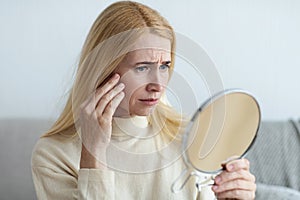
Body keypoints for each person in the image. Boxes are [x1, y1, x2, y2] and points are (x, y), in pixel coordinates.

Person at [31, 1, 256, 199]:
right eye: (142, 67)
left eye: (164, 66)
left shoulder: (190, 138)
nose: (158, 84)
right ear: (103, 69)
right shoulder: (53, 155)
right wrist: (93, 154)